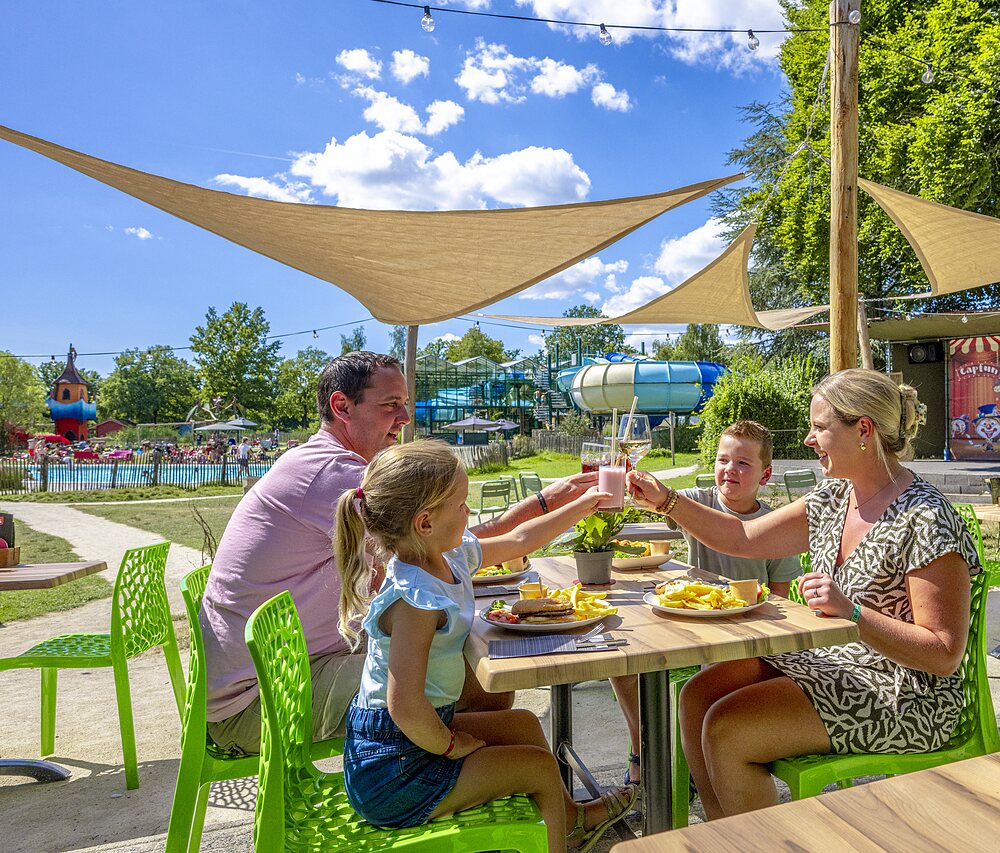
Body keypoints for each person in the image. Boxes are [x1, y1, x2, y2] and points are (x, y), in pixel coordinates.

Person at [200, 351, 596, 753]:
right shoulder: (335, 475)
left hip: (285, 668)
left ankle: (457, 781)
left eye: (405, 403)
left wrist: (548, 504)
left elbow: (439, 545)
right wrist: (543, 504)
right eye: (391, 405)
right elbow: (441, 545)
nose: (405, 417)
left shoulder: (321, 462)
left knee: (464, 658)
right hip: (257, 702)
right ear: (342, 406)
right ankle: (434, 791)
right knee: (471, 676)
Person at [627, 368, 980, 819]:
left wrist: (852, 612)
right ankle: (727, 839)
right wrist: (665, 501)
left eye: (819, 427)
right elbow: (744, 538)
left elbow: (943, 653)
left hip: (906, 693)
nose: (810, 440)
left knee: (728, 728)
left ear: (863, 431)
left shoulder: (926, 517)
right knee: (697, 695)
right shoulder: (836, 496)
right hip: (835, 660)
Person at [335, 440, 637, 851]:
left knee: (524, 725)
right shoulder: (415, 600)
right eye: (461, 505)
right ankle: (566, 835)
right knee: (537, 766)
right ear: (425, 523)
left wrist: (582, 505)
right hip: (394, 770)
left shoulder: (446, 556)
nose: (469, 513)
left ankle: (571, 820)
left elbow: (517, 540)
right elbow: (403, 705)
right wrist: (450, 744)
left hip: (411, 740)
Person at [609, 420, 802, 786]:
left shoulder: (773, 524)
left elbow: (780, 596)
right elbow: (661, 501)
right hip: (690, 624)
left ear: (766, 474)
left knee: (715, 694)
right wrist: (639, 484)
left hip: (743, 637)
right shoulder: (698, 503)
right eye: (722, 459)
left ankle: (703, 766)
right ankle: (642, 748)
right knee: (623, 660)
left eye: (743, 463)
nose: (730, 469)